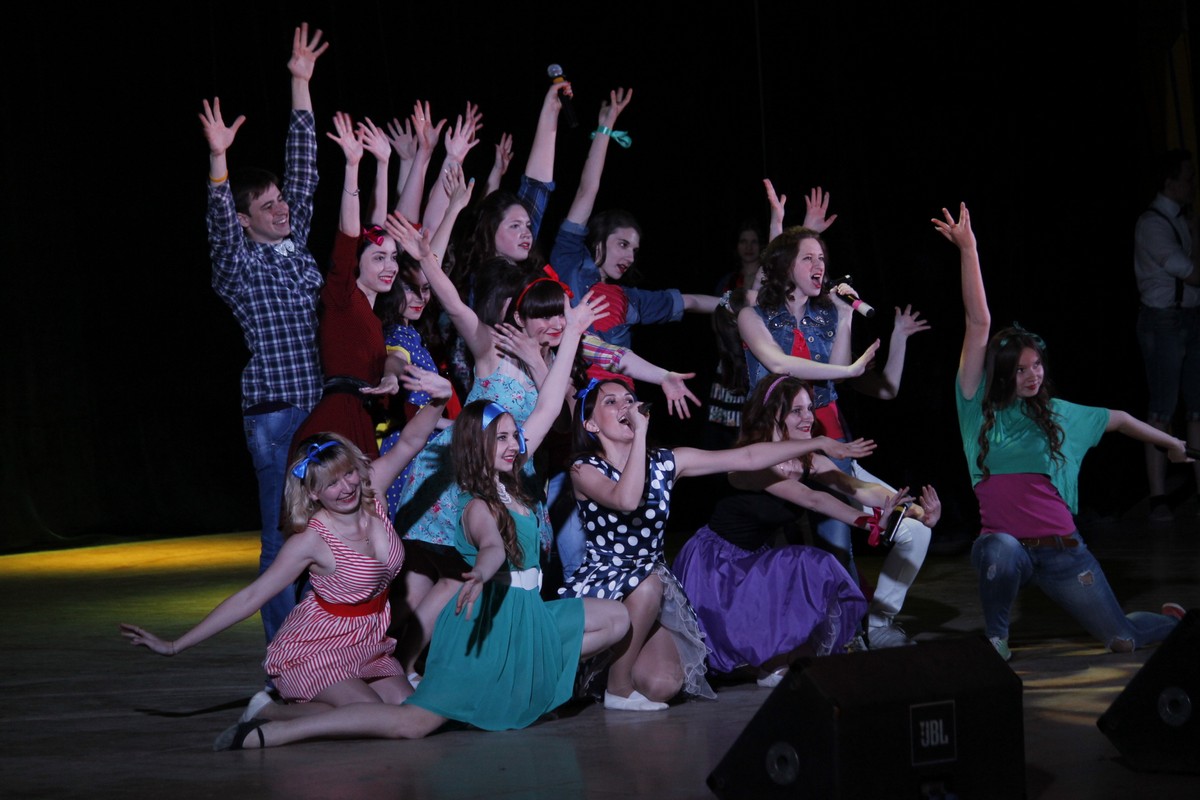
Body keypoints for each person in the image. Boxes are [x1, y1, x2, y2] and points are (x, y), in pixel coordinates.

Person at [207, 304, 629, 750]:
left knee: (616, 618)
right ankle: (274, 730)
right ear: (477, 448)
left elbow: (548, 405)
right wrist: (484, 570)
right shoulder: (478, 503)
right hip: (488, 628)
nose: (513, 444)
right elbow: (491, 545)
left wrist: (573, 333)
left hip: (526, 617)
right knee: (413, 724)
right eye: (501, 438)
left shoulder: (513, 470)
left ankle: (521, 666)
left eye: (514, 436)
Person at [936, 202, 1191, 660]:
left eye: (1036, 366)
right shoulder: (975, 407)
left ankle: (1173, 623)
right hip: (1007, 548)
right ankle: (996, 639)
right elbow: (979, 322)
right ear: (1003, 374)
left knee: (1123, 640)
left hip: (1062, 552)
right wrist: (969, 250)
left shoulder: (1057, 413)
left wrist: (1171, 443)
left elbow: (1119, 419)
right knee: (999, 549)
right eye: (1021, 370)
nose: (1032, 375)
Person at [121, 368, 454, 716]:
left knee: (413, 712)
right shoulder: (311, 540)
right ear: (313, 493)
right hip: (315, 650)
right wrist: (176, 645)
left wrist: (439, 399)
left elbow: (411, 442)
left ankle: (318, 708)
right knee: (371, 714)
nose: (346, 488)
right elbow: (251, 597)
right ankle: (268, 712)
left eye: (348, 474)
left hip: (368, 645)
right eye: (331, 484)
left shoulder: (373, 490)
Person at [560, 380, 876, 710]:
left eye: (629, 398)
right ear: (591, 425)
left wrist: (819, 442)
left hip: (649, 591)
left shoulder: (666, 461)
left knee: (662, 684)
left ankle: (610, 667)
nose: (626, 405)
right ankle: (618, 688)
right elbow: (625, 499)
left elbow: (748, 456)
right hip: (608, 584)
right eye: (611, 402)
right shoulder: (584, 468)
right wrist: (640, 434)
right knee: (648, 585)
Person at [677, 375, 938, 681]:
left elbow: (859, 488)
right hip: (716, 566)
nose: (809, 418)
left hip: (753, 561)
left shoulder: (805, 460)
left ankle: (770, 661)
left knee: (808, 587)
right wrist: (866, 521)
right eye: (797, 411)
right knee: (805, 563)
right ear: (775, 414)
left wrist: (917, 512)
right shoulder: (753, 459)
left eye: (810, 409)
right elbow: (812, 499)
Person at [200, 23, 328, 642]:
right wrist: (219, 160)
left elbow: (304, 168)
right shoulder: (239, 265)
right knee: (283, 537)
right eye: (268, 205)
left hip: (320, 407)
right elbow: (220, 225)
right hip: (276, 414)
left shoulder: (295, 245)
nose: (282, 207)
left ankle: (327, 643)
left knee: (327, 532)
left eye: (281, 200)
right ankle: (284, 657)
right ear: (247, 218)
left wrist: (300, 82)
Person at [551, 88, 719, 350]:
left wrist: (742, 304)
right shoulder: (569, 258)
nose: (630, 257)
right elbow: (588, 189)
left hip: (618, 377)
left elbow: (691, 302)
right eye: (623, 244)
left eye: (634, 250)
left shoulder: (629, 299)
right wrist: (606, 128)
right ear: (600, 240)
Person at [291, 113, 408, 459]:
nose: (390, 267)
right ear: (357, 263)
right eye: (379, 258)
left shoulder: (372, 315)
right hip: (338, 419)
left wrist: (384, 164)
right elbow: (351, 234)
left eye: (393, 258)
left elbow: (375, 227)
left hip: (363, 418)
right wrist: (353, 166)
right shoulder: (342, 295)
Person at [1133, 148, 1200, 521]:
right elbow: (1191, 273)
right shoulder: (1153, 224)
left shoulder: (1181, 219)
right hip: (1162, 322)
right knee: (1161, 407)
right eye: (1188, 178)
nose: (1192, 185)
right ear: (1170, 182)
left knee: (1197, 406)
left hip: (1189, 317)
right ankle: (1158, 496)